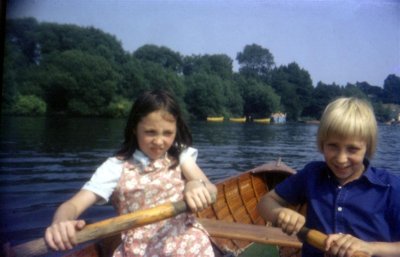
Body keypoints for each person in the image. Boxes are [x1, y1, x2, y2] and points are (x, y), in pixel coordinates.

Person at [45, 89, 217, 256]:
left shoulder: (180, 155)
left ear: (176, 130)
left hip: (188, 243)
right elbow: (73, 205)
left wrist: (195, 184)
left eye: (168, 133)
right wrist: (61, 221)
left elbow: (211, 189)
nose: (159, 141)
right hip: (140, 251)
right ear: (135, 128)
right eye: (150, 132)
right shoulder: (115, 167)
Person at [257, 97, 400, 257]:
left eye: (352, 149)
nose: (341, 158)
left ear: (367, 147)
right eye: (333, 146)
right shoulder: (312, 175)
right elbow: (265, 203)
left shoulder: (390, 188)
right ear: (322, 143)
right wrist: (280, 214)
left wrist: (370, 248)